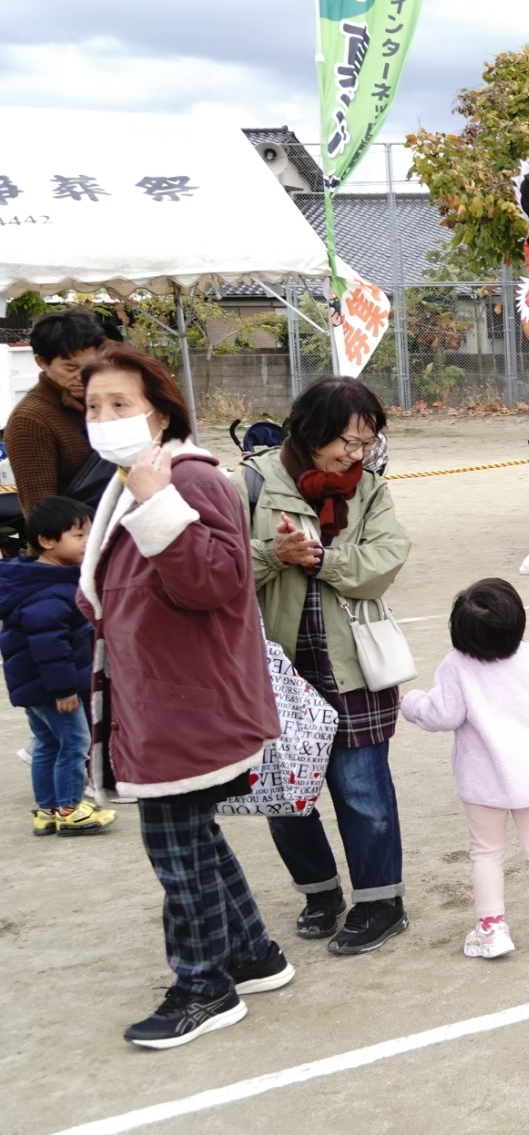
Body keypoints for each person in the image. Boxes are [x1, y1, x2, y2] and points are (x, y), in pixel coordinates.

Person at [76, 345, 292, 1049]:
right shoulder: (130, 478)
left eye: (120, 403)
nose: (104, 417)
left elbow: (216, 581)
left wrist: (157, 504)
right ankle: (253, 954)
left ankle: (205, 986)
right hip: (159, 698)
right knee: (193, 836)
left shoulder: (185, 478)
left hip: (187, 704)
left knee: (176, 852)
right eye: (93, 406)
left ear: (161, 412)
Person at [247, 377, 414, 956]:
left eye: (367, 443)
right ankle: (320, 894)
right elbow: (215, 565)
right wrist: (274, 554)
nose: (356, 454)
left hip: (351, 664)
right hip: (277, 668)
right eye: (348, 440)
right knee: (285, 793)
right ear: (311, 431)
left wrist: (322, 559)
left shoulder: (369, 489)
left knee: (362, 791)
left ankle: (381, 903)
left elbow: (386, 558)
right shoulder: (251, 483)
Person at [401, 578, 529, 959]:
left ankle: (492, 930)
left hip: (483, 782)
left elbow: (443, 715)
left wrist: (411, 703)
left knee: (485, 853)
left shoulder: (456, 665)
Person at [2, 496, 112, 836]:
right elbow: (50, 648)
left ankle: (47, 810)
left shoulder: (44, 581)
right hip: (53, 688)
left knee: (48, 745)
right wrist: (64, 690)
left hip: (37, 686)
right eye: (78, 535)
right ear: (47, 541)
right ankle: (69, 808)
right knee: (75, 744)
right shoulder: (48, 591)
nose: (88, 542)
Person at [7, 309, 114, 512]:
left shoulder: (107, 400)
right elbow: (41, 512)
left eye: (91, 366)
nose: (82, 376)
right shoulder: (30, 420)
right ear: (42, 362)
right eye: (70, 368)